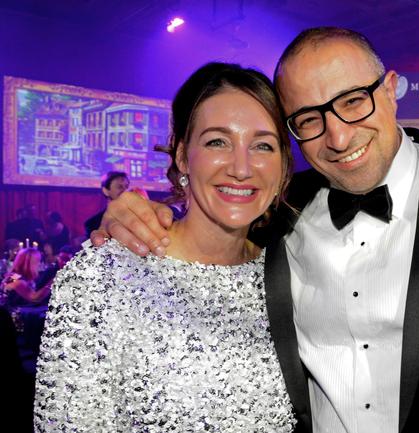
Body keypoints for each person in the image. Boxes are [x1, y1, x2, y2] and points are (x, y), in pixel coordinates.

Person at [93, 27, 419, 433]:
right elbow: (209, 220)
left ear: (390, 91)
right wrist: (134, 217)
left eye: (352, 101)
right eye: (309, 118)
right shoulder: (282, 207)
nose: (339, 136)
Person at [34, 62, 296, 432]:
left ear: (284, 165)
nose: (242, 167)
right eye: (217, 141)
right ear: (181, 154)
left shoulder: (292, 275)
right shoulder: (104, 275)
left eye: (263, 145)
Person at [83, 170, 130, 237]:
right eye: (119, 187)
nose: (125, 191)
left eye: (127, 187)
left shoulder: (137, 215)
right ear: (106, 191)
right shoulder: (93, 223)